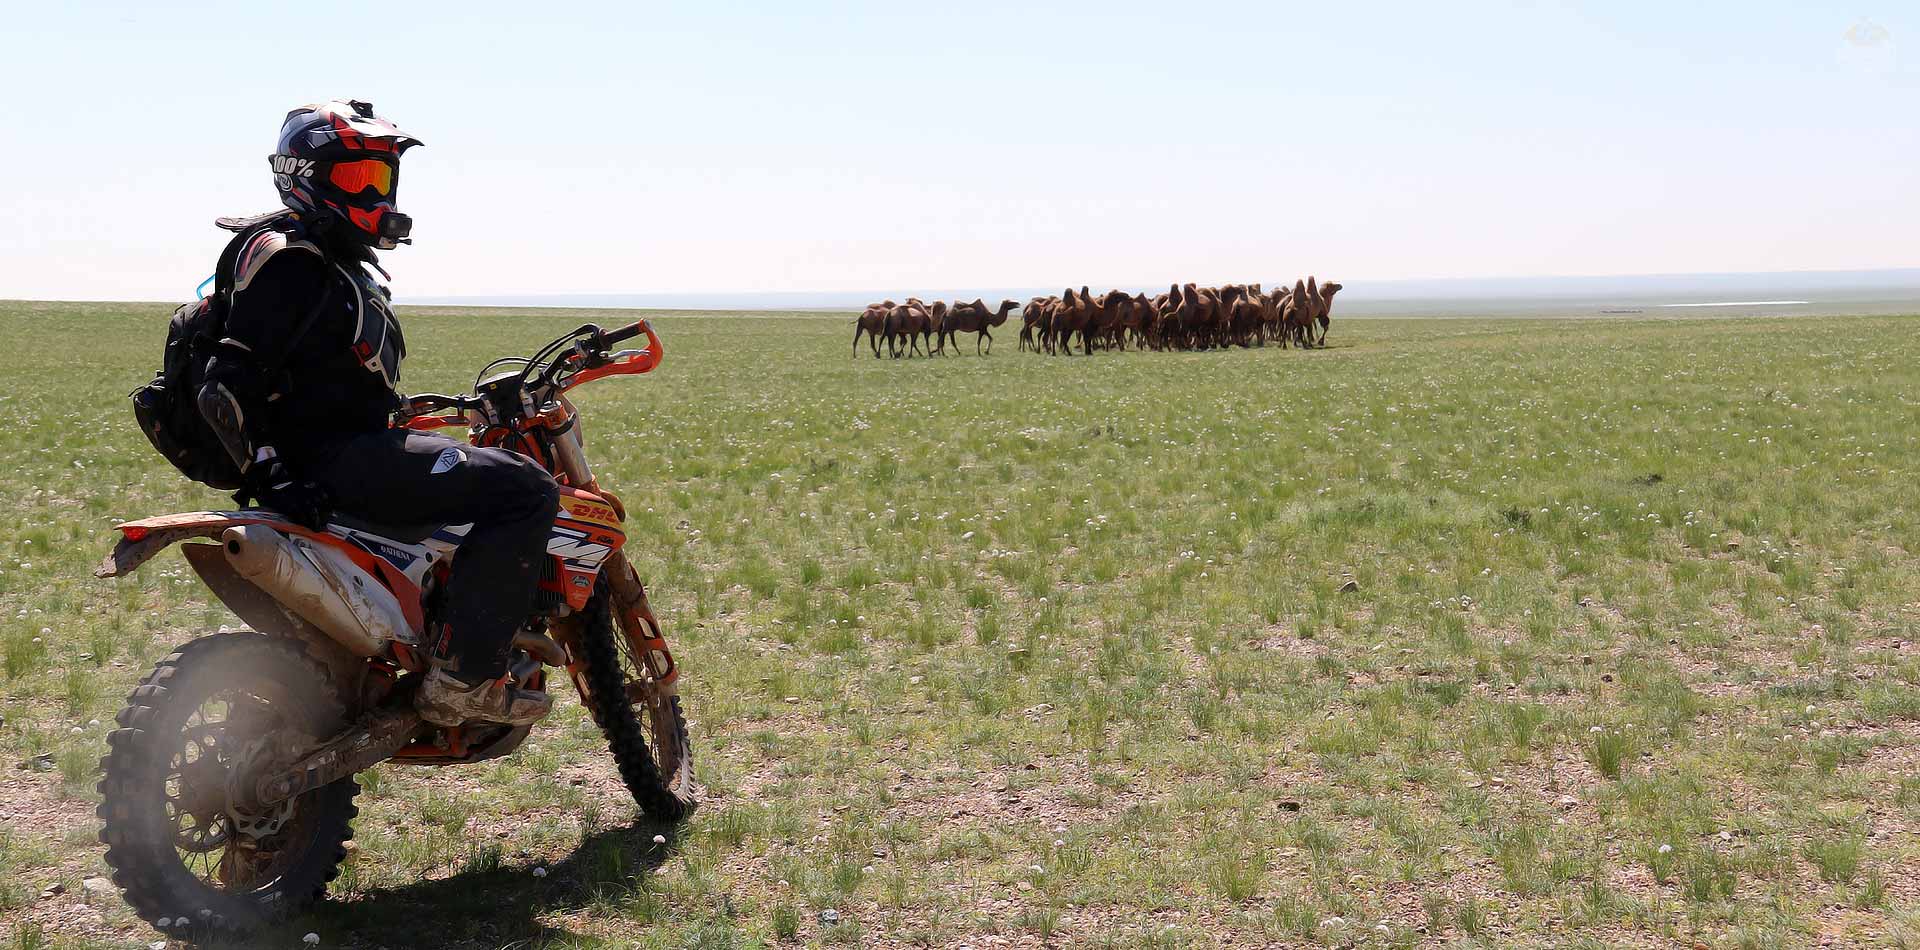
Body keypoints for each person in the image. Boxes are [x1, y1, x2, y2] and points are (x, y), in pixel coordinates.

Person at [195, 99, 560, 727]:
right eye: (354, 178)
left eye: (380, 178)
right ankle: (465, 677)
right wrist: (272, 473)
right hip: (335, 463)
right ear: (302, 177)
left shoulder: (313, 259)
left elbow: (313, 377)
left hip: (335, 451)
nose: (375, 195)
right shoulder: (292, 260)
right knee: (525, 489)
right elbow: (224, 384)